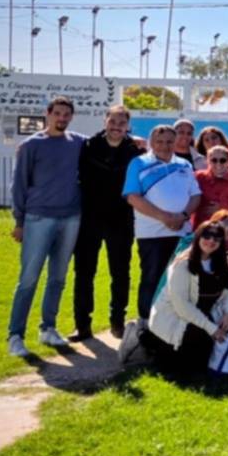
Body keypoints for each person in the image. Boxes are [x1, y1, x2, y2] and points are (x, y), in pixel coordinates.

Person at [7, 96, 88, 356]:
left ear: (71, 117)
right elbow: (19, 184)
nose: (62, 118)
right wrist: (19, 221)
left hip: (71, 218)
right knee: (28, 279)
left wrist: (138, 142)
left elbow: (106, 143)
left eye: (67, 114)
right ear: (48, 114)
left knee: (58, 278)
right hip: (38, 218)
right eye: (58, 113)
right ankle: (15, 336)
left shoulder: (79, 143)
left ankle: (48, 328)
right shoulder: (31, 145)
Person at [120, 219, 228, 372]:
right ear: (198, 237)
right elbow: (182, 306)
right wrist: (212, 329)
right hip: (178, 318)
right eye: (207, 236)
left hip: (206, 312)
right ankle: (146, 337)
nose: (211, 241)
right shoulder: (182, 265)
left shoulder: (222, 263)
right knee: (192, 360)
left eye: (217, 238)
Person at [71, 104, 144, 342]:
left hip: (120, 219)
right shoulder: (89, 146)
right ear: (105, 121)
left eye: (121, 123)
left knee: (120, 273)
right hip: (90, 218)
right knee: (84, 272)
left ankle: (117, 322)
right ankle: (82, 325)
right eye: (112, 122)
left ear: (127, 126)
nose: (116, 127)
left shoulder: (135, 149)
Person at [124, 124, 203, 328]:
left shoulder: (184, 165)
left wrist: (184, 215)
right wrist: (165, 217)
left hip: (183, 233)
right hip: (152, 234)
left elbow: (196, 195)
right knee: (152, 277)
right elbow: (133, 197)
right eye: (159, 141)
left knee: (181, 280)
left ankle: (175, 323)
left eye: (169, 141)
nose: (164, 146)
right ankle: (146, 324)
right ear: (151, 143)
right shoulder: (138, 163)